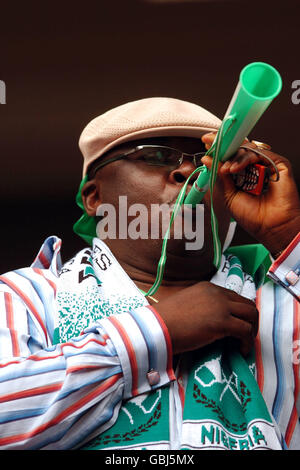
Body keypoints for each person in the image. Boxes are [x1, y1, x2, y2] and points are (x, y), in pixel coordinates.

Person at [0, 97, 299, 450]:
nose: (189, 173)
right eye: (155, 156)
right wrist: (156, 333)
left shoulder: (281, 289)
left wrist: (289, 235)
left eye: (209, 163)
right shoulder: (27, 296)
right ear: (94, 197)